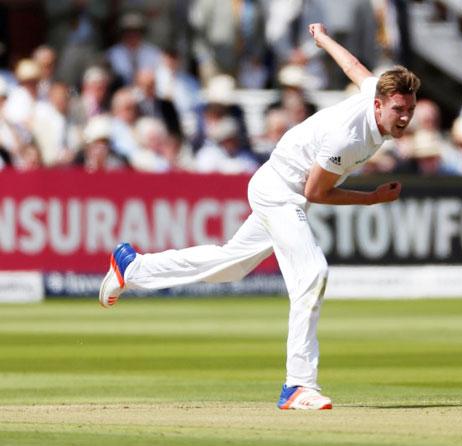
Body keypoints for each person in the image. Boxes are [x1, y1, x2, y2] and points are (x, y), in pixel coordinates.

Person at [98, 23, 420, 410]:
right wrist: (370, 199)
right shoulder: (348, 137)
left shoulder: (375, 91)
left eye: (410, 110)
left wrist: (323, 39)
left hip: (279, 187)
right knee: (312, 273)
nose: (404, 118)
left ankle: (131, 269)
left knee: (230, 265)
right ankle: (298, 385)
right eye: (399, 110)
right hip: (280, 191)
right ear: (379, 106)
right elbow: (315, 192)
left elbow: (354, 67)